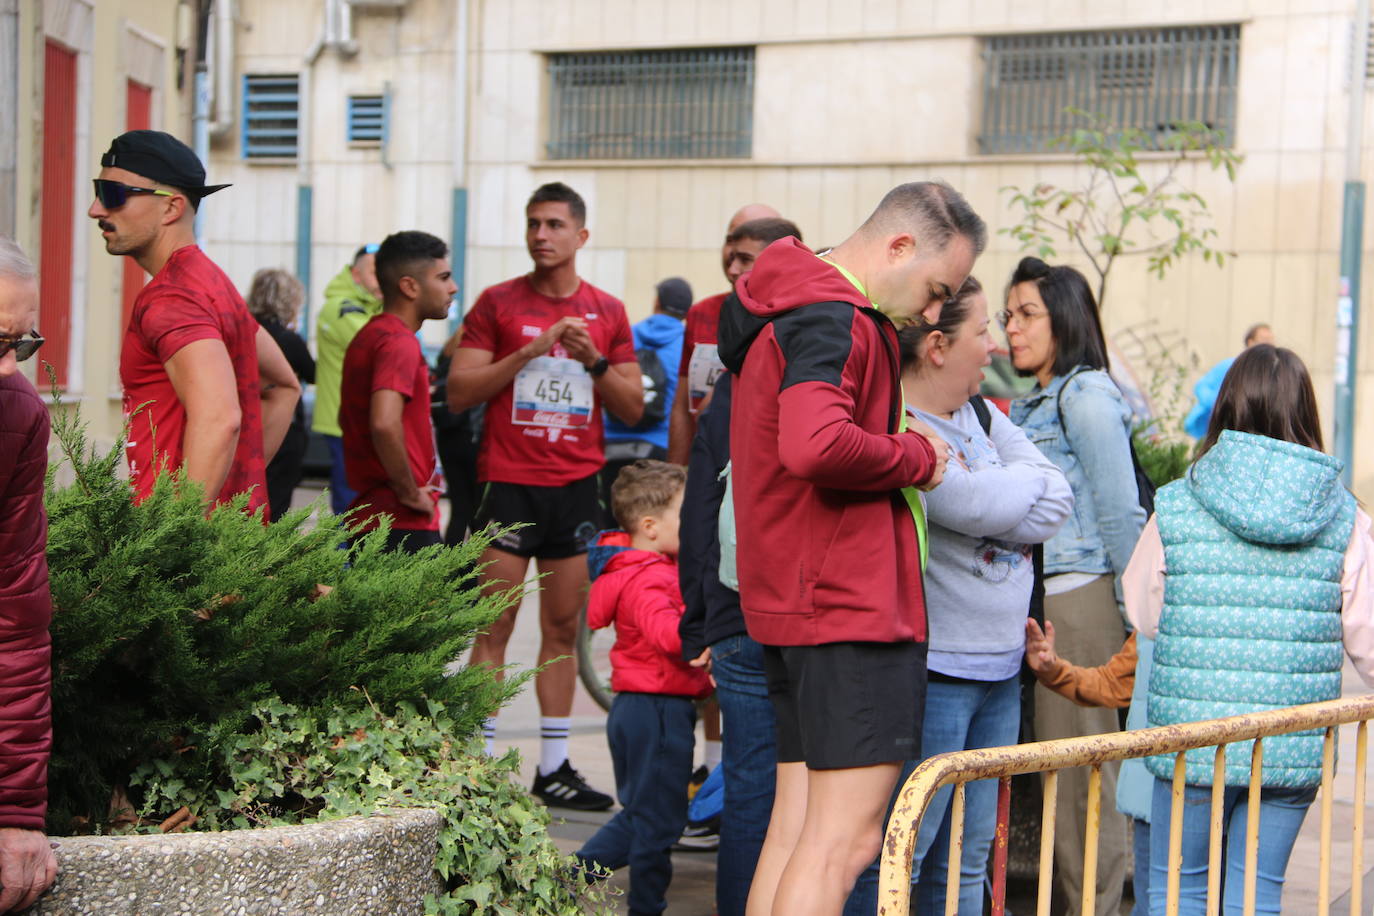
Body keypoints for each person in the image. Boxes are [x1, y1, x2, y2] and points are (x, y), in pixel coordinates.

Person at [718, 181, 985, 915]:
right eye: (937, 290)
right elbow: (816, 443)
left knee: (800, 831)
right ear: (898, 246)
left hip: (799, 599)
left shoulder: (791, 305)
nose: (934, 314)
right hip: (848, 608)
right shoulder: (836, 317)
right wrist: (916, 457)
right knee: (842, 844)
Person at [845, 276, 1072, 915]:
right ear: (939, 346)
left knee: (971, 860)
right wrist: (1007, 492)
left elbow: (1057, 498)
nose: (996, 347)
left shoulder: (977, 415)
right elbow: (967, 503)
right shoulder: (900, 429)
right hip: (937, 674)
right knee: (903, 855)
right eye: (983, 332)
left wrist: (1001, 492)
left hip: (1001, 672)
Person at [1123, 344, 1374, 916]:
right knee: (1257, 893)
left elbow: (1144, 612)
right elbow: (1369, 638)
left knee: (1176, 890)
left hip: (1191, 738)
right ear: (1307, 414)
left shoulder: (1179, 504)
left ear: (1225, 410)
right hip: (1289, 741)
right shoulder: (1344, 517)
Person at [448, 182, 642, 810]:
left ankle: (554, 767)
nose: (541, 235)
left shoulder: (608, 311)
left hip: (574, 488)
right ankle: (475, 767)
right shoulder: (497, 304)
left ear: (580, 236)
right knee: (493, 627)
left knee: (562, 628)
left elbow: (633, 406)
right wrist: (528, 351)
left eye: (555, 224)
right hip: (508, 482)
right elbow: (458, 392)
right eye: (533, 223)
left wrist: (592, 363)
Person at [1005, 256, 1146, 915]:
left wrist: (1134, 614)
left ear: (1065, 317)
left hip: (1080, 600)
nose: (1012, 328)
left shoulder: (1085, 395)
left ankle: (1094, 907)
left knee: (1084, 776)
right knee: (1061, 777)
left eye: (1027, 313)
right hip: (1042, 602)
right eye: (1007, 315)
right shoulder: (1038, 396)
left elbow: (1122, 514)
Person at [676, 217, 805, 912]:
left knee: (768, 788)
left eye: (751, 263)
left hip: (767, 609)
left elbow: (705, 498)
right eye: (730, 262)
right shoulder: (783, 360)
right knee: (773, 790)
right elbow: (702, 497)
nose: (738, 277)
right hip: (753, 611)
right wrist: (698, 616)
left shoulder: (755, 362)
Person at [88, 130, 300, 513]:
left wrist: (178, 533)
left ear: (171, 208)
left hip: (182, 555)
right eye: (98, 191)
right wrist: (235, 485)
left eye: (112, 194)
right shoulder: (212, 283)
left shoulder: (172, 297)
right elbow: (285, 387)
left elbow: (220, 417)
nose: (96, 210)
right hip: (225, 541)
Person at [575, 460, 712, 916]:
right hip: (656, 709)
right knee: (655, 823)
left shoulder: (636, 567)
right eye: (684, 515)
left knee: (650, 815)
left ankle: (569, 879)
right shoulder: (649, 575)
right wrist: (700, 639)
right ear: (650, 526)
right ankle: (630, 899)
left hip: (642, 707)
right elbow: (665, 633)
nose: (693, 524)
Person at [0, 238, 58, 914]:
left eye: (23, 342)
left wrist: (14, 811)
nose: (13, 368)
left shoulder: (17, 416)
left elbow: (15, 620)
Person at [338, 231, 455, 553]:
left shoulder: (369, 335)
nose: (453, 287)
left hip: (373, 516)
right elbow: (384, 422)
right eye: (443, 277)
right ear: (409, 286)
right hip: (399, 520)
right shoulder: (398, 341)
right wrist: (409, 492)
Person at [666, 203, 780, 465]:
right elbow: (683, 408)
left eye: (748, 244)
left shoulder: (796, 317)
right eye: (731, 240)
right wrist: (676, 475)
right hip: (705, 467)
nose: (734, 253)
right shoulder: (701, 313)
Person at [599, 276, 692, 527]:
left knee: (609, 528)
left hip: (610, 446)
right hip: (658, 449)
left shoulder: (628, 335)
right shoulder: (686, 343)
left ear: (656, 302)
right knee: (647, 528)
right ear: (686, 311)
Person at [313, 244, 383, 515]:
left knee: (362, 504)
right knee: (350, 505)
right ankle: (342, 558)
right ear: (355, 275)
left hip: (355, 422)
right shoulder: (340, 308)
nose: (382, 280)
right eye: (375, 273)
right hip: (342, 423)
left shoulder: (371, 308)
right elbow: (378, 347)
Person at [244, 268, 315, 522]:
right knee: (276, 503)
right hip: (283, 427)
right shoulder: (289, 339)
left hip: (246, 425)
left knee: (245, 498)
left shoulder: (244, 332)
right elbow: (314, 373)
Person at [1182, 323, 1274, 440]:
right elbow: (1201, 387)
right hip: (1215, 429)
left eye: (1271, 340)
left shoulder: (1271, 373)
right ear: (1251, 342)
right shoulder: (1231, 365)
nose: (1269, 345)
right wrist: (1221, 404)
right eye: (1265, 340)